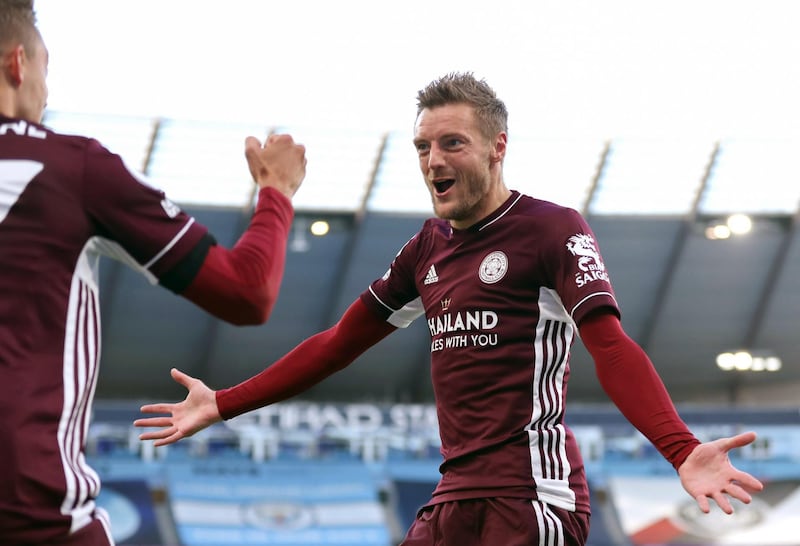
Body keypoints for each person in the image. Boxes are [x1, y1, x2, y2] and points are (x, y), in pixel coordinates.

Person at [136, 72, 763, 545]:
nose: (433, 161)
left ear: (498, 148)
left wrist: (680, 449)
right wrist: (223, 403)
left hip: (532, 497)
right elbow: (336, 345)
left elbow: (610, 345)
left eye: (452, 143)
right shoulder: (426, 249)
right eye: (422, 147)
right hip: (453, 498)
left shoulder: (551, 230)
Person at [0, 1, 307, 545]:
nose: (47, 92)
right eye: (47, 69)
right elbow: (247, 291)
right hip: (35, 520)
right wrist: (276, 192)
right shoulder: (73, 170)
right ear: (18, 64)